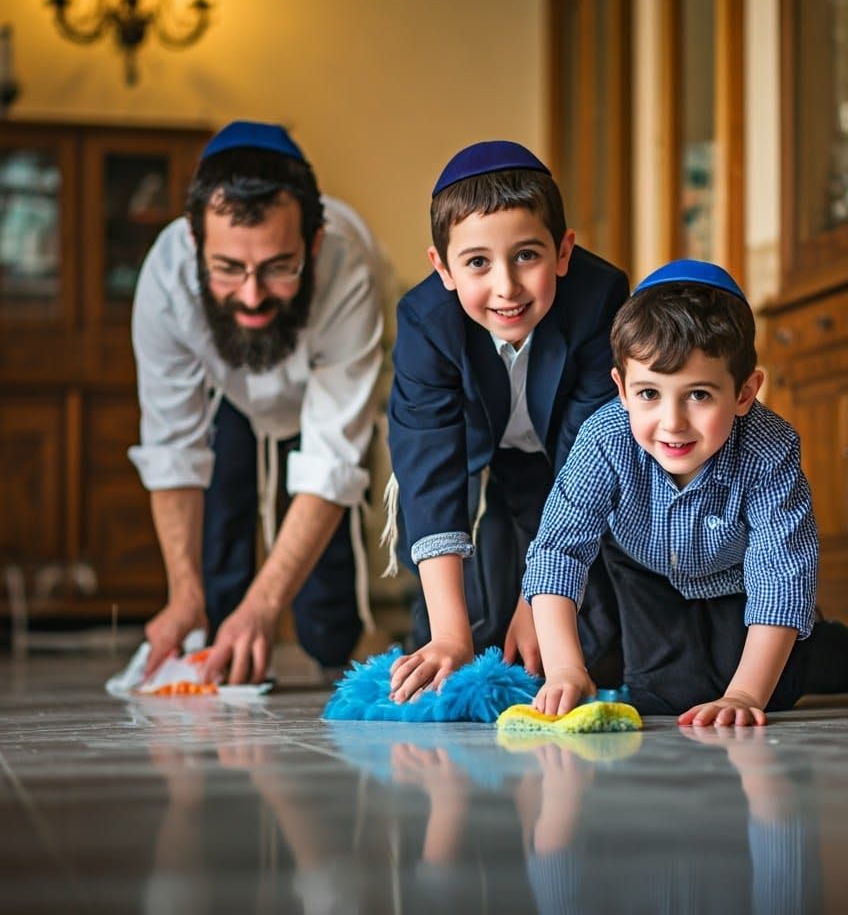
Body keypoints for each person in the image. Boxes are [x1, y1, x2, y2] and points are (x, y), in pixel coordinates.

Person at [522, 259, 848, 724]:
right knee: (662, 695)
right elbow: (559, 550)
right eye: (649, 394)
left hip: (736, 578)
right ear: (621, 389)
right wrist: (564, 669)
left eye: (699, 395)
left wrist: (744, 694)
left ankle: (823, 643)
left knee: (772, 690)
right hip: (644, 572)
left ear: (745, 393)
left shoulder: (771, 450)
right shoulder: (603, 438)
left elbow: (780, 577)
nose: (673, 422)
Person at [128, 120, 384, 684]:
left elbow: (331, 459)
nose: (251, 295)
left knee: (325, 609)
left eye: (276, 268)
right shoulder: (165, 282)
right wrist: (181, 594)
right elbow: (173, 445)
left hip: (321, 401)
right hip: (231, 399)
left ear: (313, 244)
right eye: (227, 269)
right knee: (221, 532)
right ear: (195, 242)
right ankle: (215, 628)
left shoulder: (350, 268)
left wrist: (267, 606)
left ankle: (329, 645)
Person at [385, 140, 628, 702]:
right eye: (476, 262)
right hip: (474, 464)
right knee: (461, 638)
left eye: (526, 256)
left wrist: (542, 599)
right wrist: (450, 636)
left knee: (579, 646)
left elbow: (588, 455)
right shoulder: (425, 322)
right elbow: (431, 467)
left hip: (564, 464)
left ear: (563, 252)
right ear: (441, 267)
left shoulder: (598, 300)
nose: (506, 287)